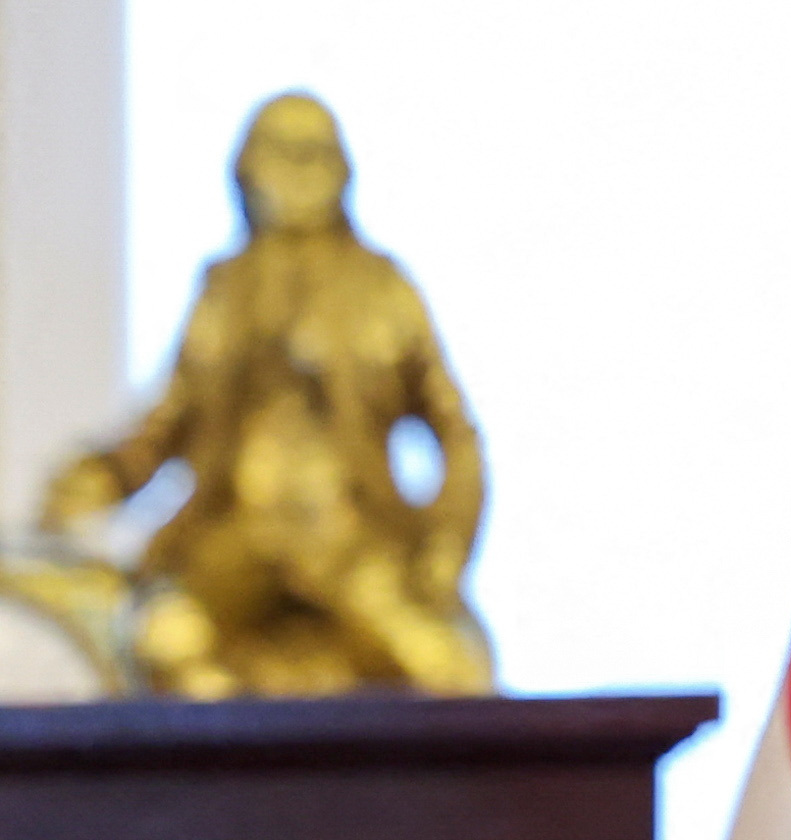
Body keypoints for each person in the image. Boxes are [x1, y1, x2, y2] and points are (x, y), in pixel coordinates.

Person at [38, 90, 493, 697]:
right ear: (247, 172)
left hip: (353, 547)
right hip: (233, 546)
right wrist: (93, 483)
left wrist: (443, 552)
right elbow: (164, 428)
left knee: (447, 672)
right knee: (165, 647)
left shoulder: (384, 290)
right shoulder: (223, 291)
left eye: (314, 156)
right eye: (280, 156)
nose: (298, 176)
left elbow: (456, 433)